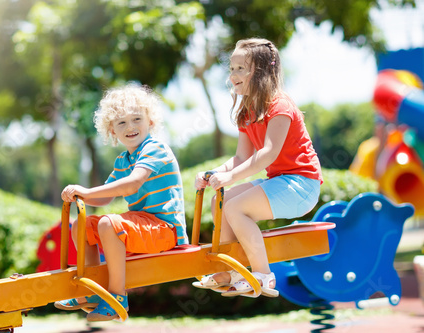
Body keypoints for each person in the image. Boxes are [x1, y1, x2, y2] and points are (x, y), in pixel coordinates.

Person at [193, 38, 323, 297]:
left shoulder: (280, 106)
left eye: (241, 68)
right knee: (221, 201)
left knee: (235, 207)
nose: (233, 75)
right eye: (231, 69)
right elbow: (241, 157)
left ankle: (263, 275)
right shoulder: (246, 111)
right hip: (280, 181)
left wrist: (229, 176)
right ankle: (232, 270)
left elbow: (267, 154)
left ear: (262, 72)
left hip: (302, 185)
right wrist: (214, 174)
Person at [54, 84, 188, 321]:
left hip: (165, 229)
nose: (130, 127)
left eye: (136, 119)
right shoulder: (123, 160)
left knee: (108, 224)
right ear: (112, 130)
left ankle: (117, 297)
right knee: (81, 225)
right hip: (142, 225)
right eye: (121, 123)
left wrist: (87, 190)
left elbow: (132, 184)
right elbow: (106, 197)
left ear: (151, 122)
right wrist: (80, 193)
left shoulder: (154, 148)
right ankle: (93, 289)